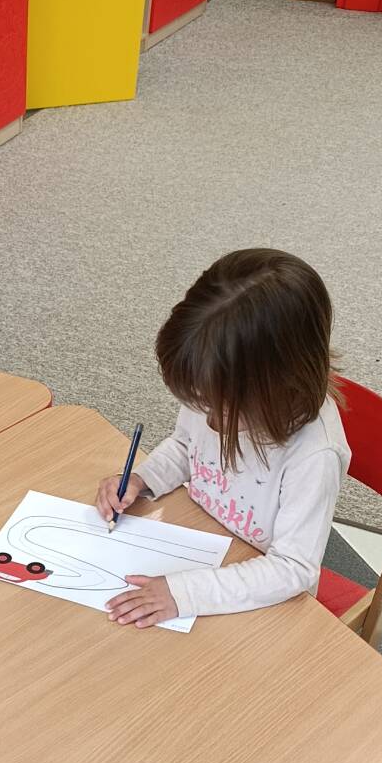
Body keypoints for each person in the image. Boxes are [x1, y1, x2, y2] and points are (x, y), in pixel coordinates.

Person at [95, 249, 350, 627]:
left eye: (216, 404)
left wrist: (184, 594)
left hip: (262, 595)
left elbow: (293, 568)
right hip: (204, 540)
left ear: (276, 384)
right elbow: (186, 445)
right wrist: (142, 479)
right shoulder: (218, 383)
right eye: (198, 400)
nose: (206, 414)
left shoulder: (315, 455)